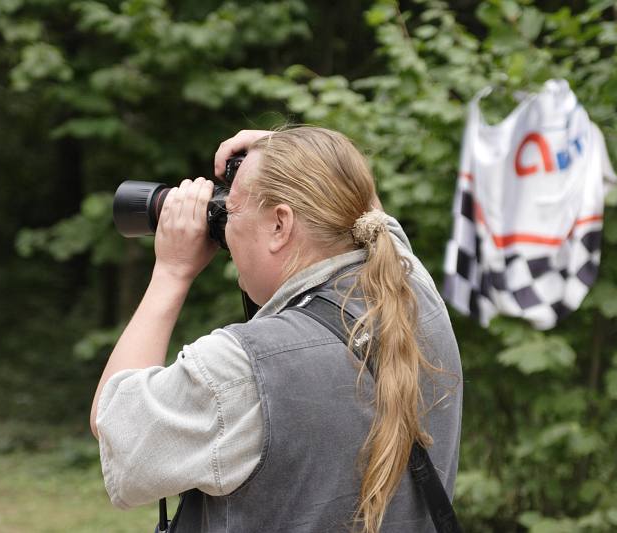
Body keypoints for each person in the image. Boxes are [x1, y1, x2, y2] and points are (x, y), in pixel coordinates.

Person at [90, 127, 462, 532]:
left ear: (281, 225)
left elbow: (116, 427)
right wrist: (292, 151)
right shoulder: (414, 294)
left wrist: (171, 271)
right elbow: (368, 214)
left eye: (229, 210)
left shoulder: (243, 367)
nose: (223, 229)